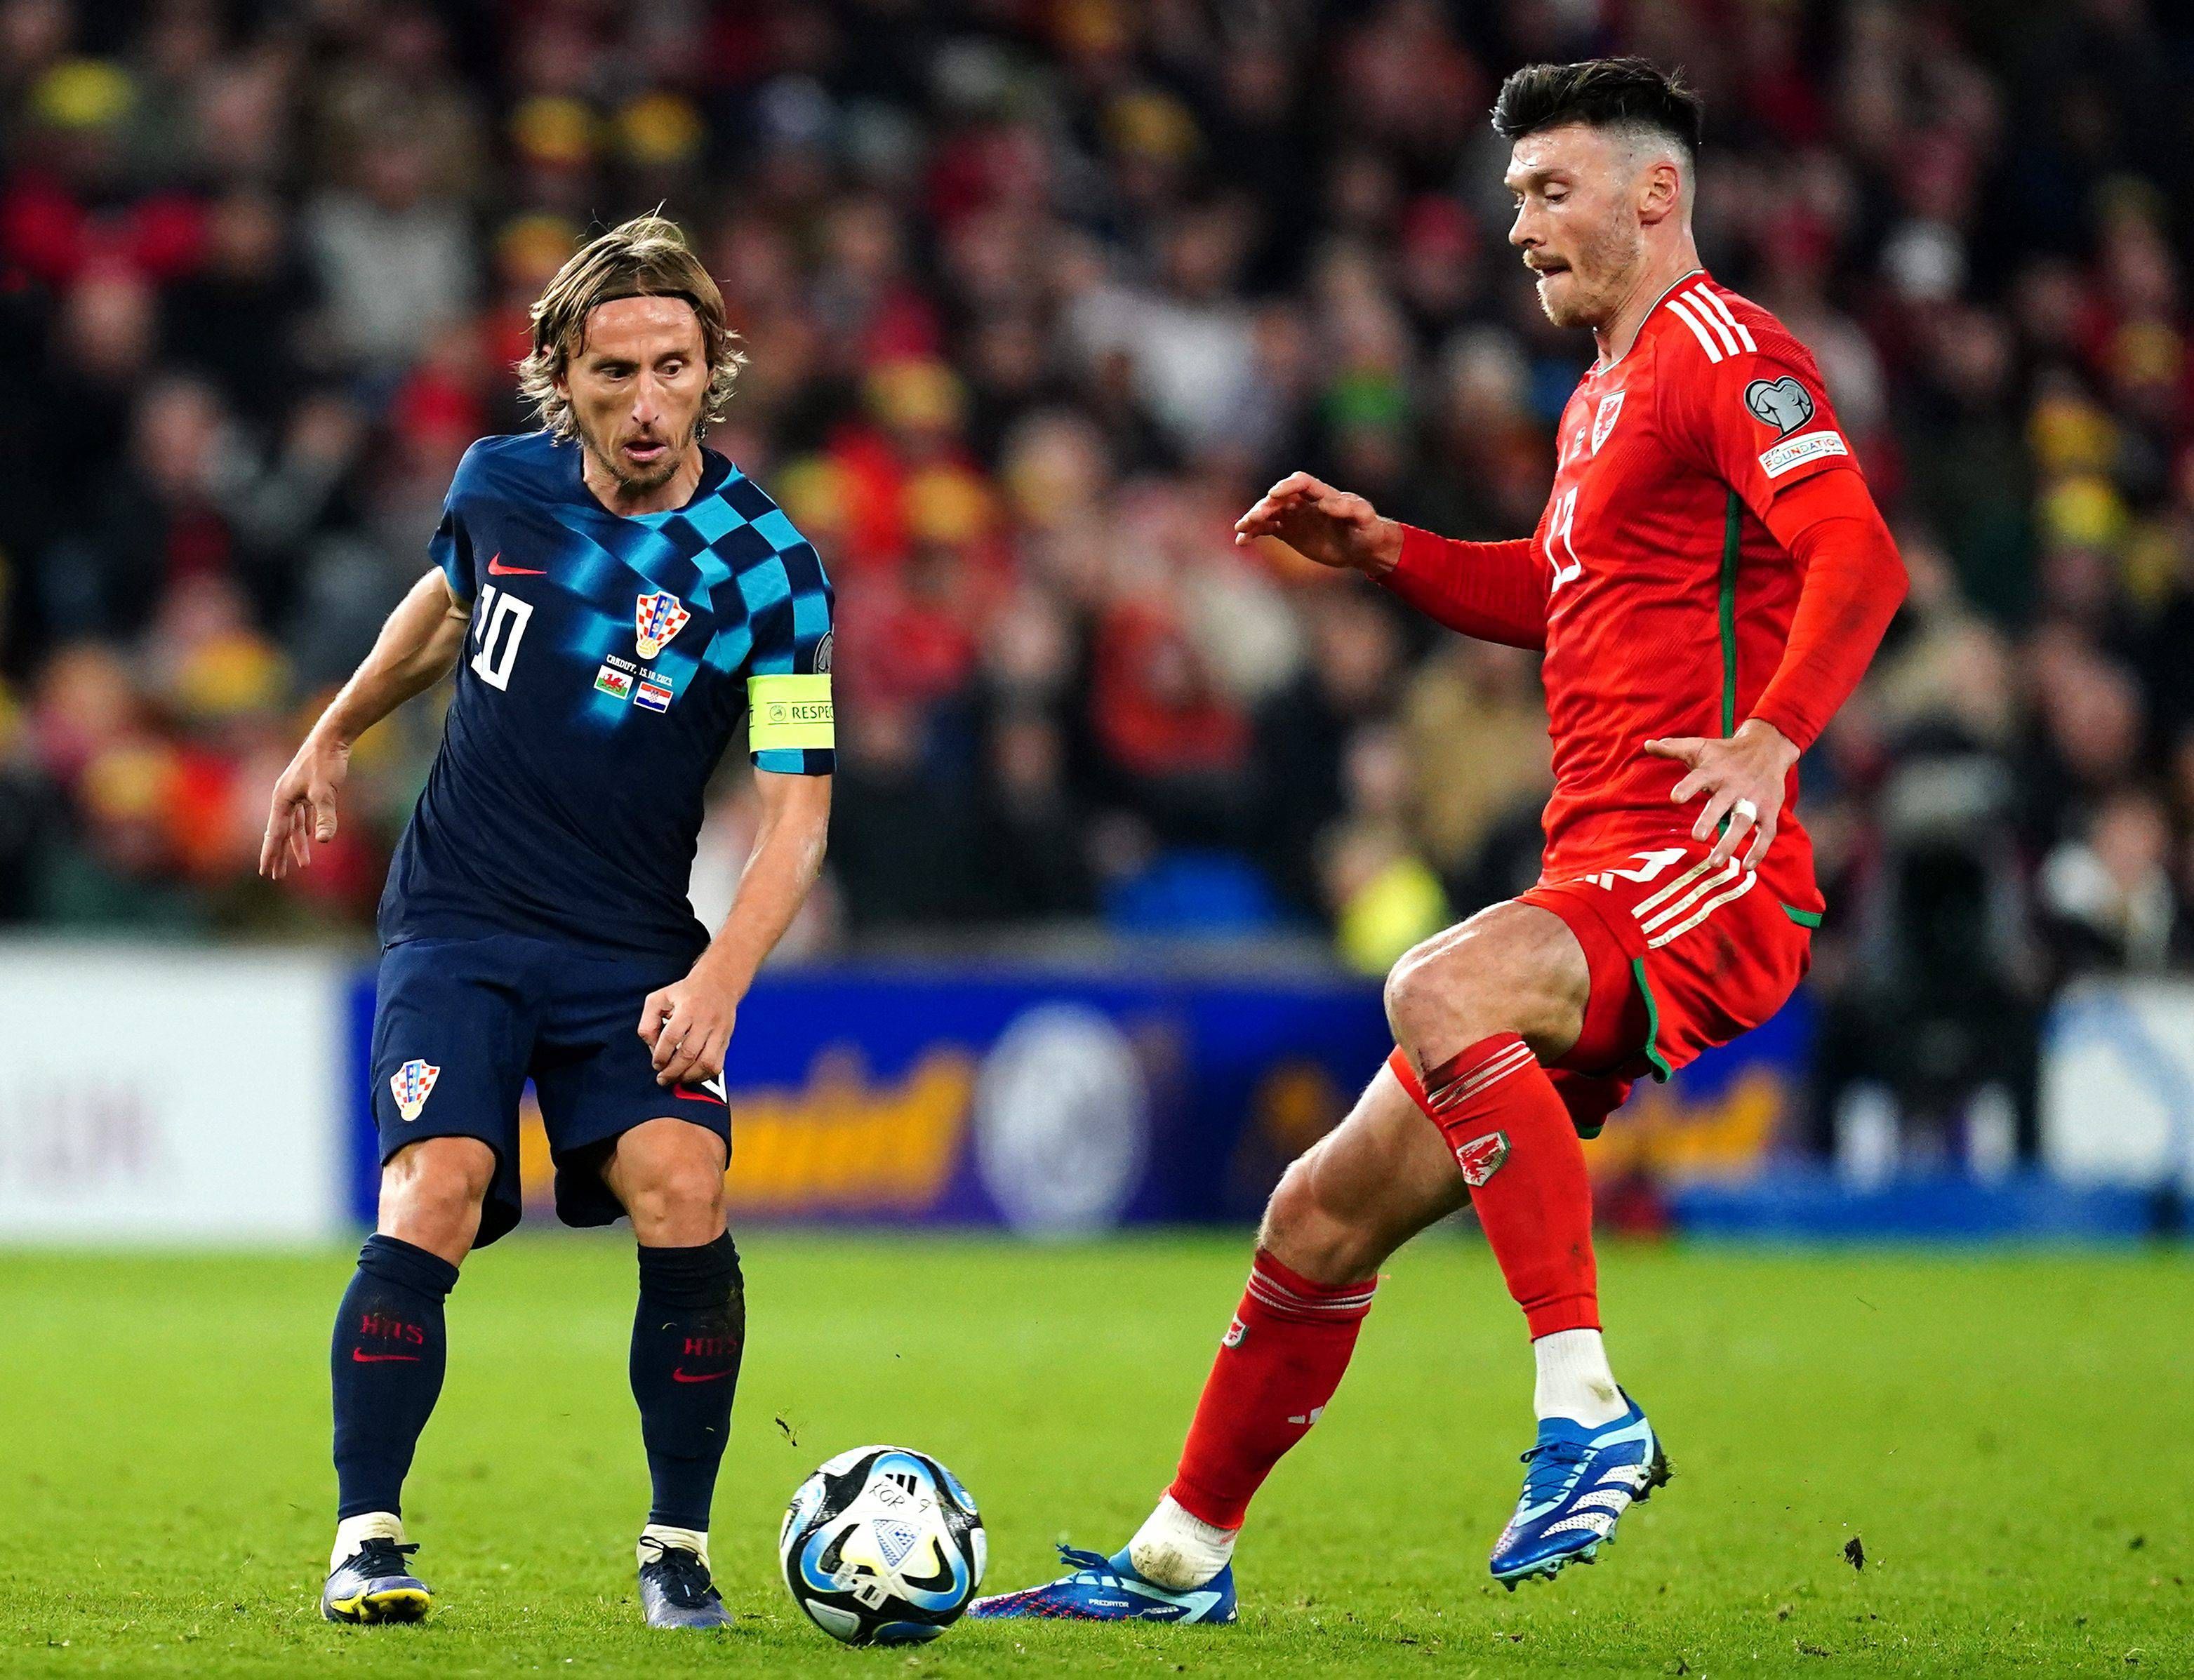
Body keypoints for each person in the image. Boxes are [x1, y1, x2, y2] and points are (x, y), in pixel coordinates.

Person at [969, 57, 1906, 1622]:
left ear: (1654, 194)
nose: (1520, 223)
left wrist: (1773, 738)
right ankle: (1176, 1560)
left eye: (1552, 190)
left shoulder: (1721, 350)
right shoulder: (1603, 392)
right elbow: (1561, 598)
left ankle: (1583, 1407)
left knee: (1436, 984)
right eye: (1515, 194)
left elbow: (1858, 556)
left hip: (1700, 857)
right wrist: (1389, 551)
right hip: (1593, 868)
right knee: (1317, 1212)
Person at [260, 216, 835, 1630]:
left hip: (632, 946)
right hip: (458, 918)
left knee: (682, 1188)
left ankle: (677, 1547)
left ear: (715, 372)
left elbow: (797, 814)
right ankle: (368, 1535)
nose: (647, 404)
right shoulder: (499, 485)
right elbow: (448, 609)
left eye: (676, 369)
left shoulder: (769, 569)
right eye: (615, 371)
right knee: (434, 1190)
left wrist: (718, 979)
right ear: (558, 378)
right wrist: (332, 729)